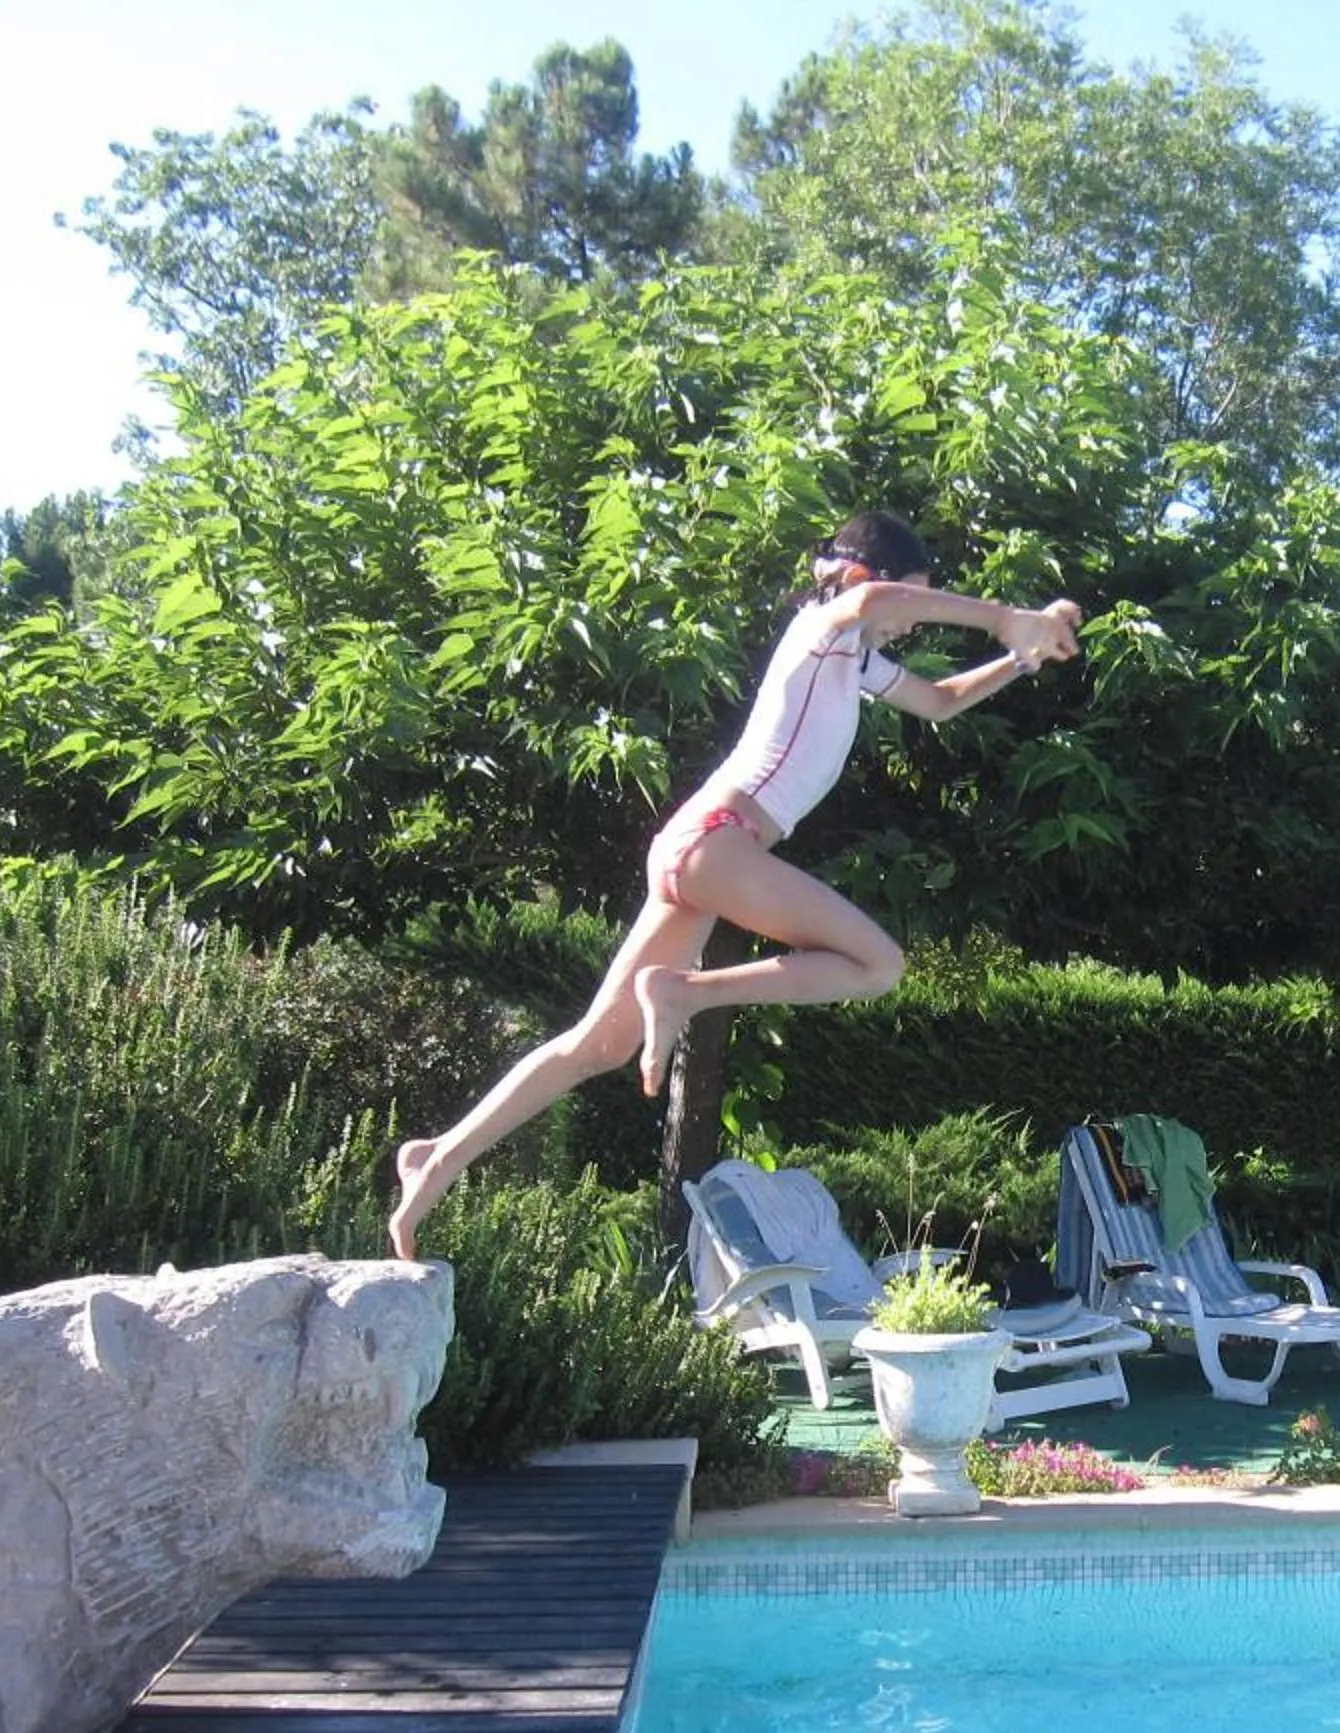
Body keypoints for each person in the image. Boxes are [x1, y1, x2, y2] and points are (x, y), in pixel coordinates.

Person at [388, 510, 1082, 1259]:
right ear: (861, 578)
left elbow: (940, 701)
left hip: (701, 849)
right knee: (879, 965)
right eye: (914, 598)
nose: (911, 621)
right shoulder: (828, 626)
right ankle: (686, 992)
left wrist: (1022, 655)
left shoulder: (856, 659)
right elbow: (876, 605)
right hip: (719, 842)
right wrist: (1009, 617)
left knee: (598, 1045)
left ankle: (440, 1154)